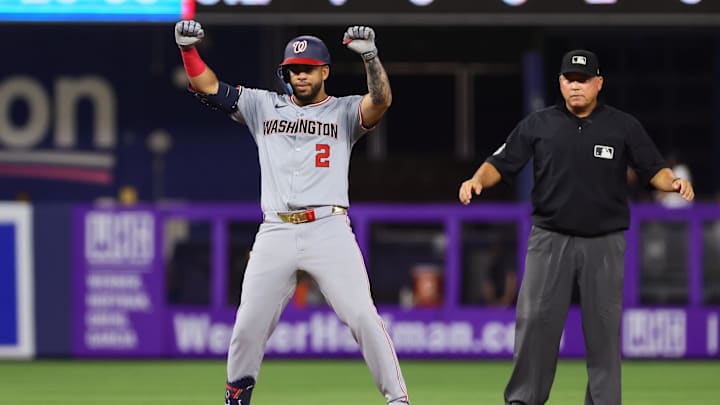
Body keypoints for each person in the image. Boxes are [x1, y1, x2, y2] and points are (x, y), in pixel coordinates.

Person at [174, 21, 410, 405]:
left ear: (324, 72)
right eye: (293, 69)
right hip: (276, 230)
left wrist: (370, 57)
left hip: (328, 228)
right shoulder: (262, 104)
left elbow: (380, 100)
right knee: (248, 324)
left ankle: (398, 399)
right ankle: (237, 397)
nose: (299, 74)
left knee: (364, 317)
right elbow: (208, 87)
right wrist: (188, 52)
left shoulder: (344, 111)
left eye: (308, 68)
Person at [458, 49, 694, 405]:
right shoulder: (539, 124)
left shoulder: (622, 125)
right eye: (570, 79)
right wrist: (477, 180)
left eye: (584, 80)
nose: (576, 86)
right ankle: (523, 400)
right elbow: (501, 161)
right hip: (550, 239)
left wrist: (672, 182)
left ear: (599, 83)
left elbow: (652, 168)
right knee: (535, 323)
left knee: (603, 331)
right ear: (561, 82)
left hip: (604, 242)